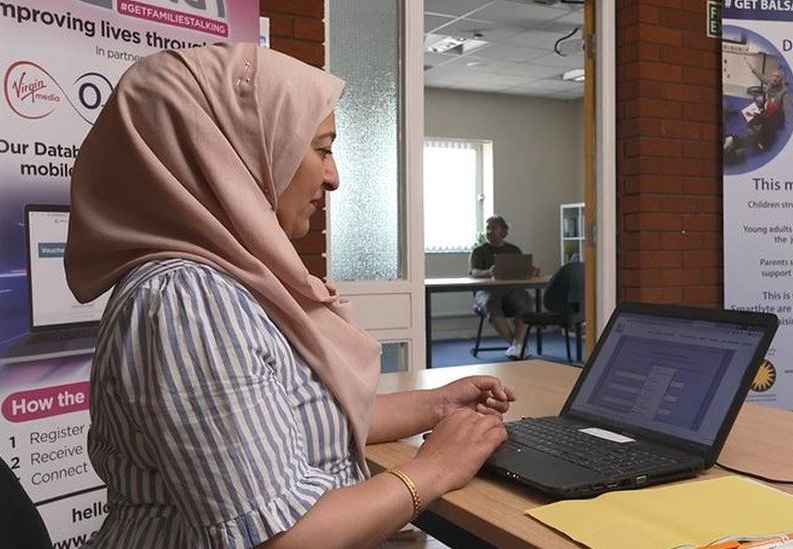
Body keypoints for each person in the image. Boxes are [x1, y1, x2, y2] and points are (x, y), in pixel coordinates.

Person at [64, 43, 514, 548]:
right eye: (322, 148)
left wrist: (438, 406)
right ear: (233, 152)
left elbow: (301, 421)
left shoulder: (232, 280)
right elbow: (284, 539)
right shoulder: (190, 299)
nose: (334, 177)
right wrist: (435, 469)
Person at [469, 215, 536, 359]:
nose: (489, 231)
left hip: (511, 290)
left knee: (525, 300)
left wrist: (531, 271)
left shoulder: (514, 250)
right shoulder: (479, 251)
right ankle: (517, 346)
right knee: (491, 302)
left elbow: (521, 271)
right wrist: (488, 272)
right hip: (486, 291)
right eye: (487, 228)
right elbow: (474, 272)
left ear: (503, 231)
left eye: (493, 228)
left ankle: (516, 345)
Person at [746, 58, 792, 151]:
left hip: (777, 114)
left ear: (781, 79)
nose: (774, 78)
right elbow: (761, 77)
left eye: (777, 77)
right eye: (773, 76)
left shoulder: (785, 92)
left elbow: (787, 109)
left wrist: (789, 125)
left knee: (767, 124)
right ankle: (756, 132)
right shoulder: (770, 83)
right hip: (766, 108)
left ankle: (764, 142)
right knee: (748, 114)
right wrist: (752, 68)